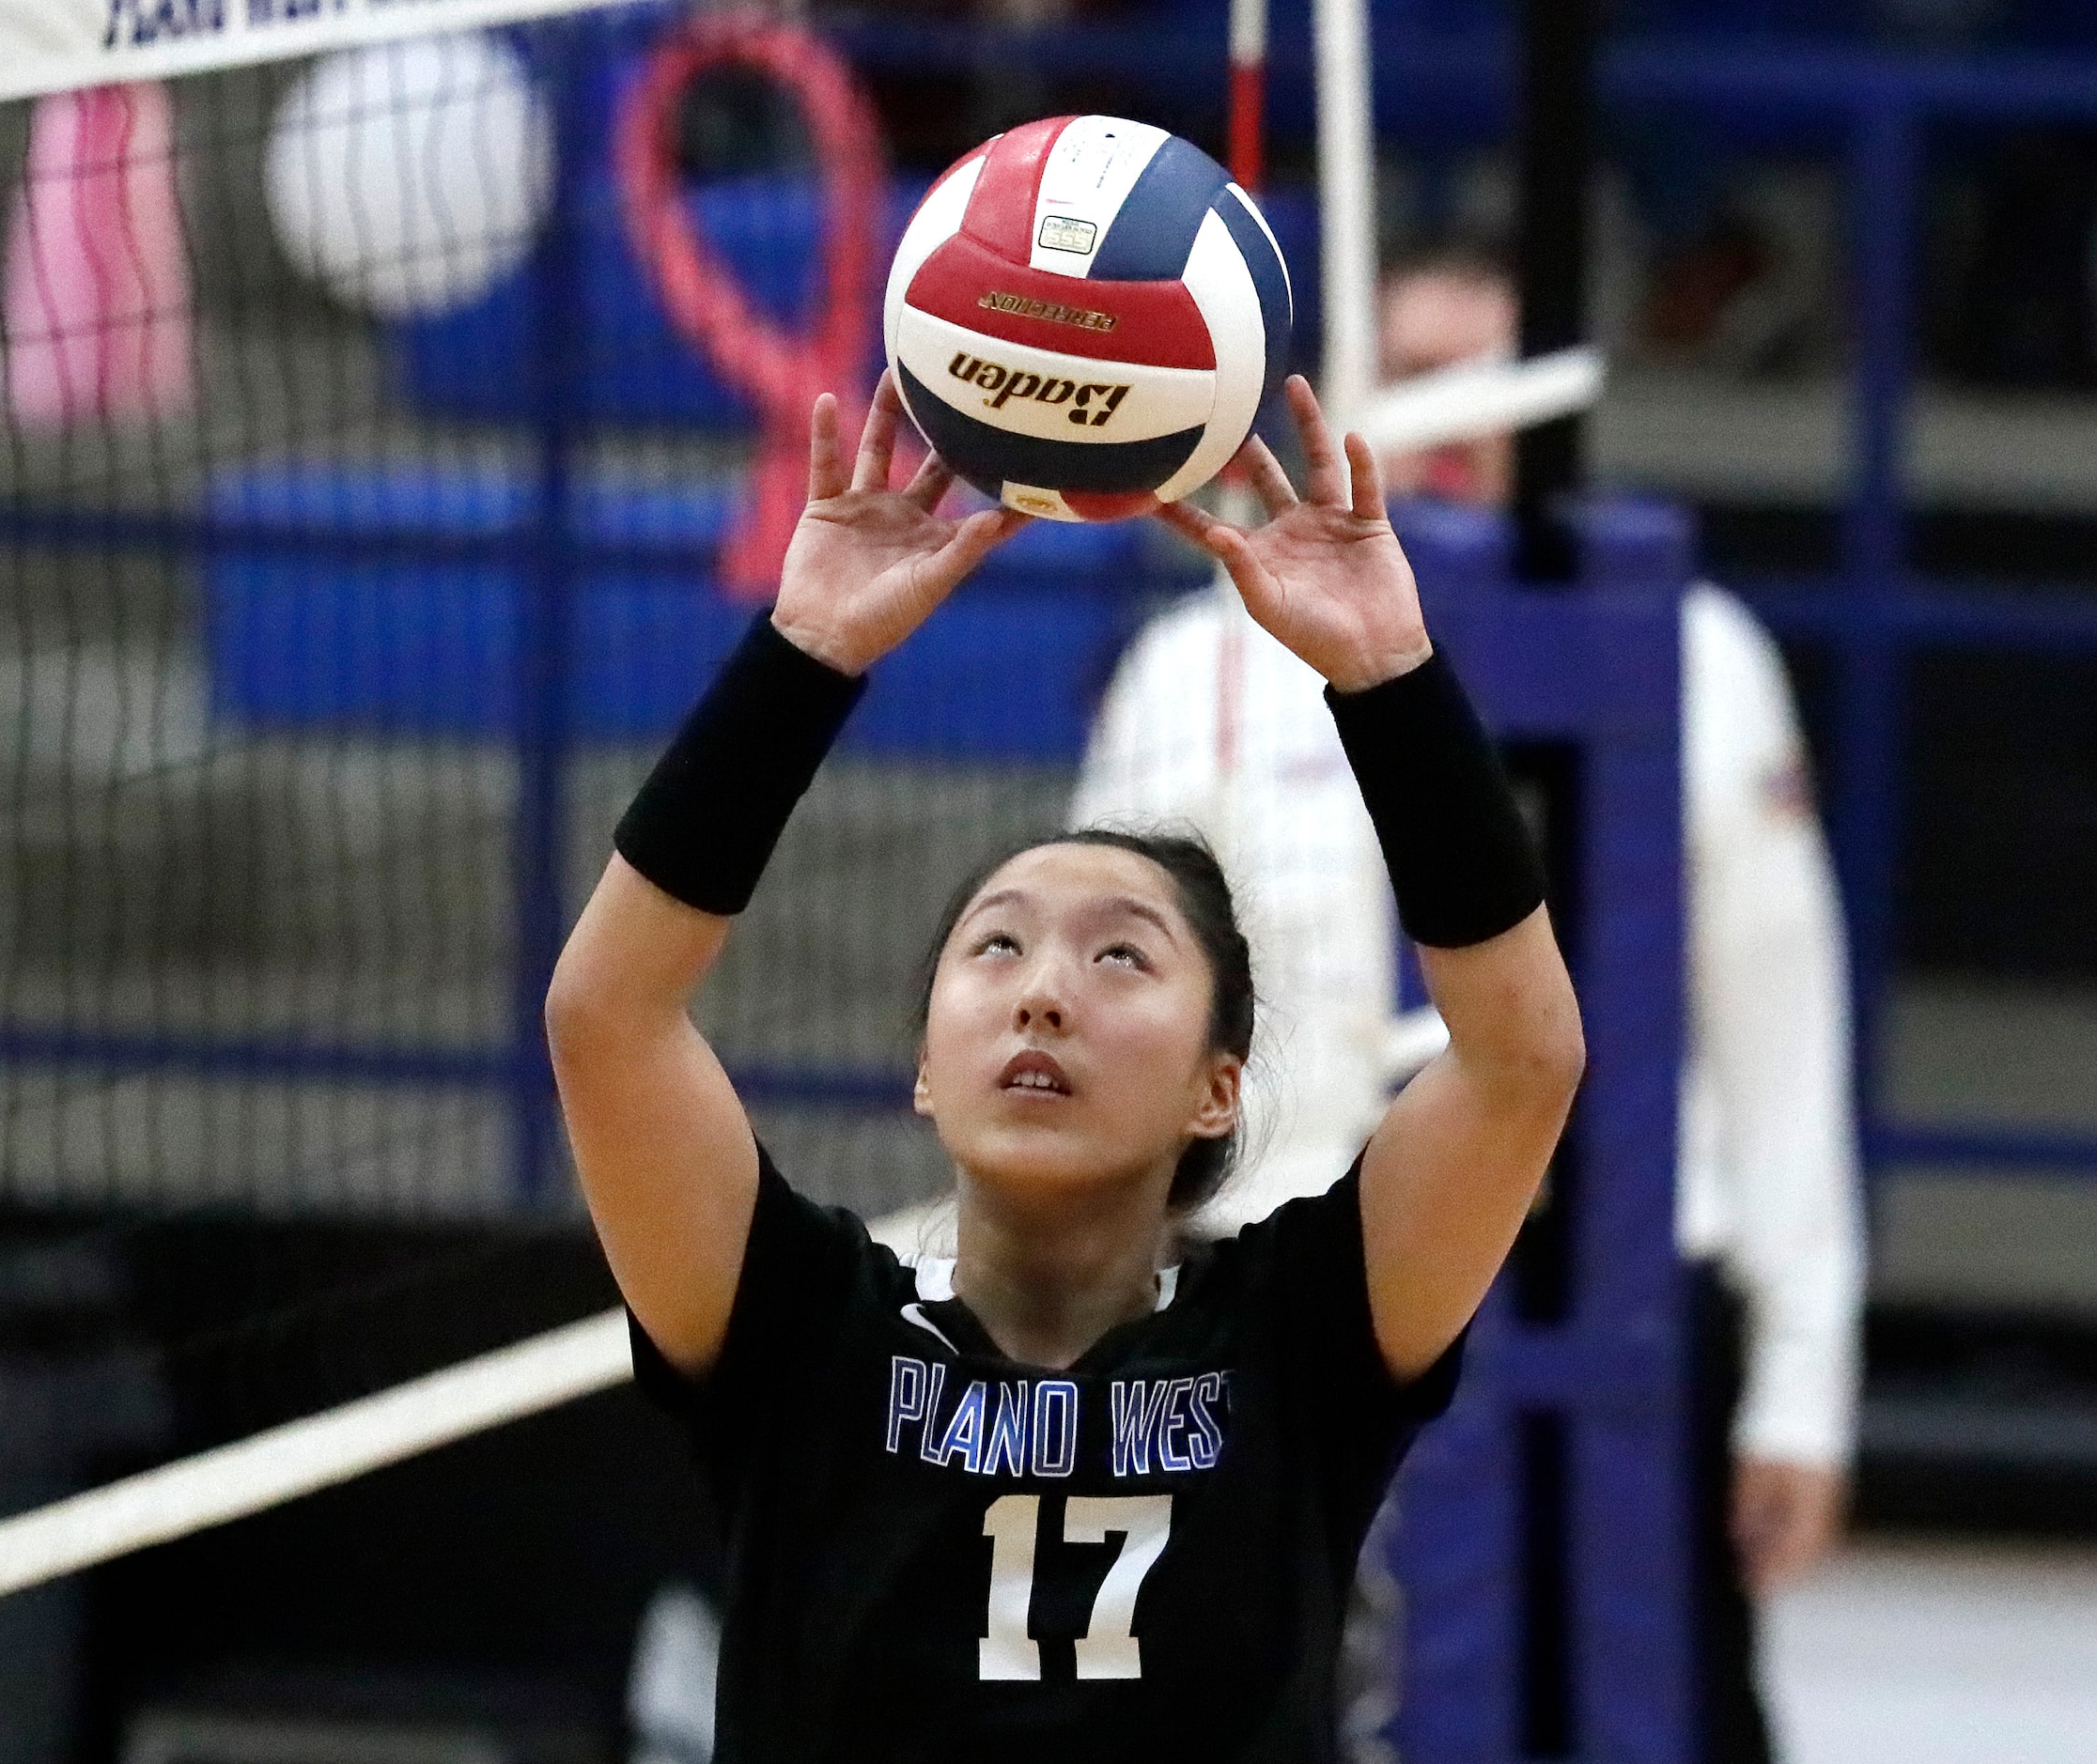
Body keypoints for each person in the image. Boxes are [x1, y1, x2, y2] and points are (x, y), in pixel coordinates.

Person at [547, 368, 1584, 1759]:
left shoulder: (1300, 1336)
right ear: (924, 1064)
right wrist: (803, 654)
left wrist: (1384, 677)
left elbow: (1522, 1059)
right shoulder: (804, 1331)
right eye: (996, 948)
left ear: (1219, 1083)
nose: (1043, 992)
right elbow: (606, 1018)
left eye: (1119, 957)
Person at [1070, 251, 1866, 1762]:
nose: (1450, 413)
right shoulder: (1196, 673)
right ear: (1345, 388)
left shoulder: (1697, 661)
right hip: (1283, 1303)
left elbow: (1779, 1039)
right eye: (1415, 367)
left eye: (1485, 372)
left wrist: (1801, 1388)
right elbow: (1104, 1039)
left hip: (1622, 1306)